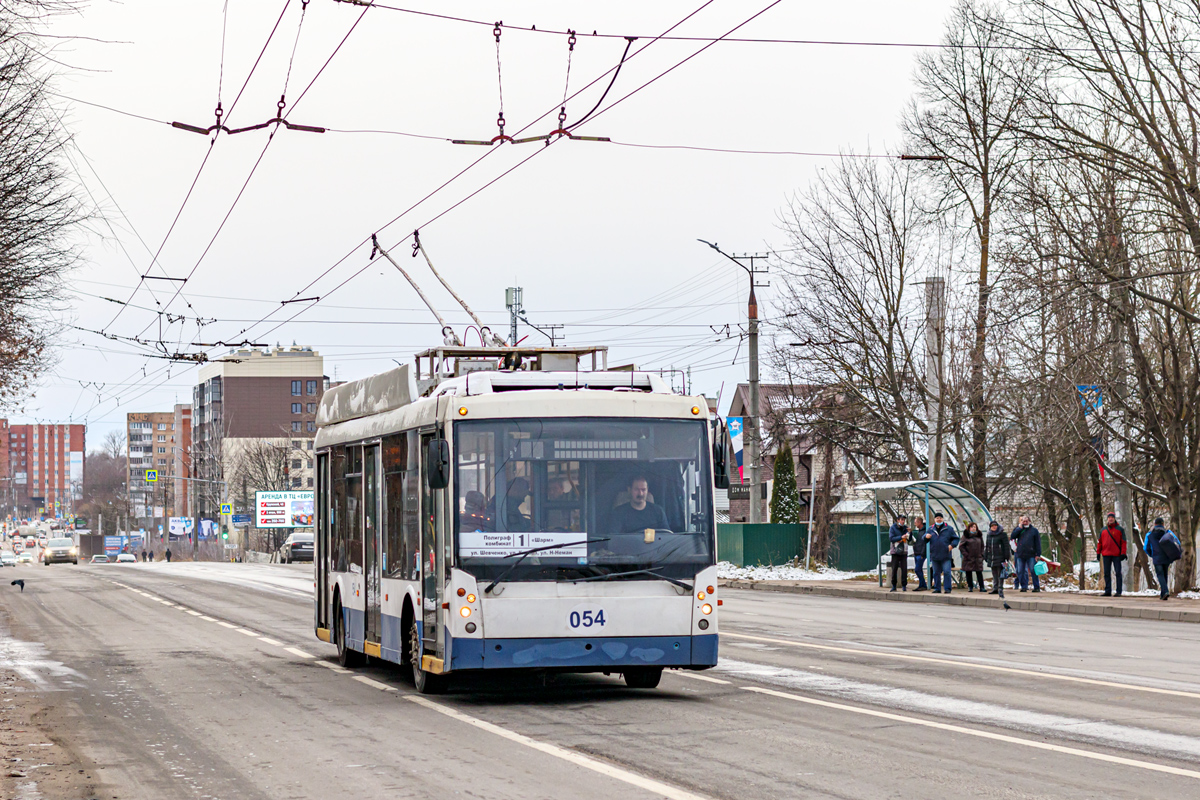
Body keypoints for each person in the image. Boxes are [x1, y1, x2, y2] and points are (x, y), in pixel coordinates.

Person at [924, 512, 959, 594]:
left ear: (943, 519)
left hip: (945, 555)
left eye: (940, 518)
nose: (939, 519)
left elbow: (956, 539)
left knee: (947, 572)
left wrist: (952, 545)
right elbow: (924, 538)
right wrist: (926, 537)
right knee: (936, 572)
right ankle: (937, 588)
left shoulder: (949, 529)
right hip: (935, 555)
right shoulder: (931, 529)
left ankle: (947, 589)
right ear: (935, 519)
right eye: (937, 518)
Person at [1098, 512, 1127, 597]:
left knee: (1118, 573)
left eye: (1112, 517)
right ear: (1107, 519)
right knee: (1106, 573)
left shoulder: (1120, 529)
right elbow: (1100, 542)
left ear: (1114, 519)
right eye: (1109, 517)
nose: (1110, 519)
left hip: (1116, 555)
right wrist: (1098, 553)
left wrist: (1123, 553)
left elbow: (1123, 542)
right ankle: (1108, 591)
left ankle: (1119, 591)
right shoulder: (1103, 530)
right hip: (1106, 554)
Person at [1145, 517, 1175, 601]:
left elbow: (1145, 548)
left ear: (1155, 524)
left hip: (1157, 557)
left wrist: (1151, 554)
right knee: (1164, 574)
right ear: (1163, 524)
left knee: (1160, 574)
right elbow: (1176, 543)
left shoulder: (1149, 534)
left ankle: (1165, 591)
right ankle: (1163, 595)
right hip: (1167, 557)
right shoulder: (1168, 533)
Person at [1010, 516, 1042, 592]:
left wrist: (1038, 554)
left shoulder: (1034, 531)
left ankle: (1036, 587)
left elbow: (1038, 543)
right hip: (1020, 554)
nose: (1025, 522)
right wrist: (1019, 528)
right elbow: (1012, 536)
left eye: (1026, 521)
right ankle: (1024, 586)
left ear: (1029, 521)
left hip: (1031, 554)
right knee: (1020, 571)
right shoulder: (1019, 530)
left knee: (1033, 571)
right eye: (1023, 521)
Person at [983, 520, 1011, 598]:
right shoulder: (989, 535)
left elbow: (1006, 546)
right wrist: (985, 555)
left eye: (995, 525)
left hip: (1000, 557)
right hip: (991, 557)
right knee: (994, 573)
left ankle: (1000, 588)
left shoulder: (1002, 535)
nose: (994, 527)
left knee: (1000, 573)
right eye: (992, 526)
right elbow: (987, 546)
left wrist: (1006, 557)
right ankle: (995, 588)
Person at [887, 514, 911, 592]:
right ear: (898, 520)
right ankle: (894, 585)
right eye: (901, 520)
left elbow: (910, 539)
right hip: (895, 551)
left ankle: (904, 585)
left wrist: (910, 533)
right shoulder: (893, 528)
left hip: (904, 551)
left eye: (904, 520)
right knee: (894, 568)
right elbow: (891, 538)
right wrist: (900, 537)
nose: (903, 521)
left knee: (904, 569)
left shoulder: (905, 528)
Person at [959, 522, 985, 592]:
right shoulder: (966, 536)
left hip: (978, 557)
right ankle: (970, 586)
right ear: (969, 528)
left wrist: (982, 554)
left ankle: (982, 587)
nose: (973, 528)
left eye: (975, 527)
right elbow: (961, 546)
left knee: (979, 572)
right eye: (972, 527)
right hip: (968, 557)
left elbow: (982, 546)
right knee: (968, 572)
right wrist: (966, 554)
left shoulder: (979, 536)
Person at [910, 516, 929, 591]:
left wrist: (922, 554)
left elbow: (925, 543)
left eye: (915, 522)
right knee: (919, 570)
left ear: (919, 522)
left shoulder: (924, 531)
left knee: (917, 569)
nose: (914, 524)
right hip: (917, 553)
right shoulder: (920, 531)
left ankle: (923, 585)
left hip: (920, 554)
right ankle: (922, 585)